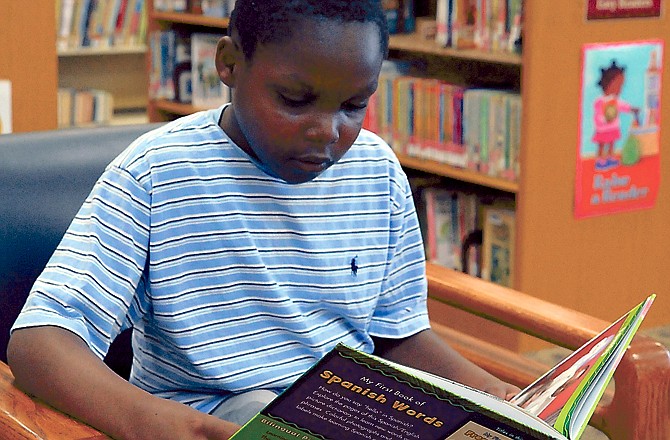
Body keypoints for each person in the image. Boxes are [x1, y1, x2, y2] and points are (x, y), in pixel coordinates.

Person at [7, 1, 518, 439]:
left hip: (354, 414)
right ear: (228, 63)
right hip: (210, 418)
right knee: (257, 410)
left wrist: (497, 398)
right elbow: (40, 343)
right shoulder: (157, 173)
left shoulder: (377, 171)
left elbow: (396, 335)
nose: (326, 131)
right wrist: (175, 427)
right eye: (294, 100)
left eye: (353, 106)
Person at [591, 59, 640, 171]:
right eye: (617, 86)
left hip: (613, 127)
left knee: (612, 142)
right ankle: (600, 160)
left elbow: (622, 106)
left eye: (621, 86)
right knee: (602, 143)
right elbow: (597, 114)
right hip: (603, 128)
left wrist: (631, 109)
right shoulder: (600, 101)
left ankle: (610, 157)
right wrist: (603, 119)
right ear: (608, 83)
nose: (620, 89)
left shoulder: (615, 100)